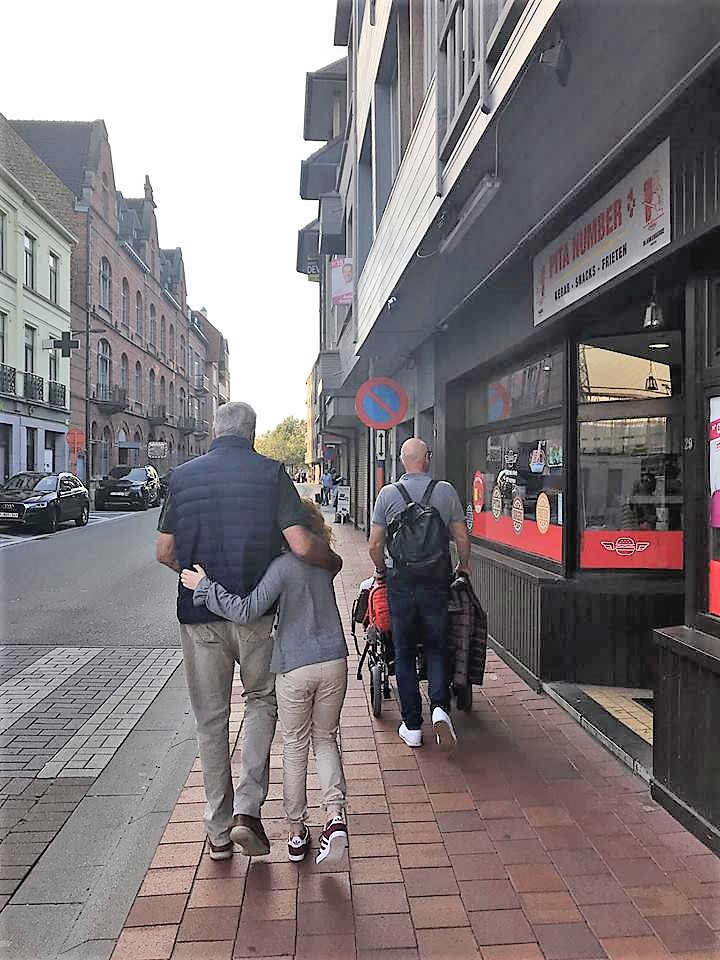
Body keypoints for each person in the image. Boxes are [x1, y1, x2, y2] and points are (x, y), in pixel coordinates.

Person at [156, 402, 341, 861]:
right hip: (256, 616)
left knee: (211, 719)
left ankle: (218, 833)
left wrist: (197, 581)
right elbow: (301, 544)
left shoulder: (181, 478)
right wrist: (332, 561)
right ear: (253, 433)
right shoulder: (271, 473)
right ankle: (247, 810)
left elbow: (164, 551)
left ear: (213, 430)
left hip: (200, 617)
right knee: (261, 702)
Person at [180, 498, 349, 866]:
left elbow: (245, 611)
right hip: (335, 661)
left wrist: (204, 586)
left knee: (295, 746)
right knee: (325, 739)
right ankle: (335, 816)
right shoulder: (326, 564)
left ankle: (297, 833)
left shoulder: (281, 568)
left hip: (295, 667)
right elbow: (333, 561)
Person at [368, 438, 471, 748]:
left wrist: (381, 570)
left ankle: (412, 726)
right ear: (426, 458)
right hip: (437, 582)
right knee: (437, 647)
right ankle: (439, 708)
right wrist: (463, 567)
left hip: (401, 582)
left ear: (402, 461)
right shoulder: (445, 491)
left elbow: (374, 544)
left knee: (403, 651)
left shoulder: (388, 494)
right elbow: (462, 538)